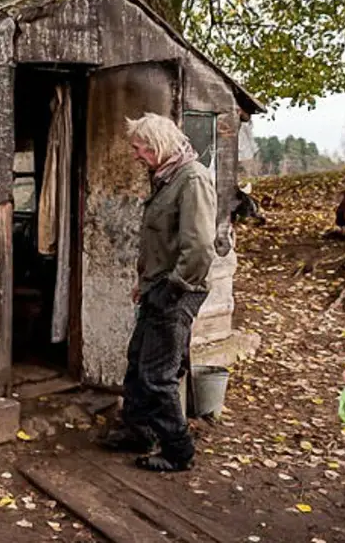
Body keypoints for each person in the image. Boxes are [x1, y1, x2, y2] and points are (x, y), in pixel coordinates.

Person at [98, 112, 218, 472]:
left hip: (177, 290)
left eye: (139, 148)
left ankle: (178, 450)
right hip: (158, 285)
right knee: (138, 361)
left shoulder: (192, 179)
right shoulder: (166, 177)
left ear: (158, 146)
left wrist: (174, 288)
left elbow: (198, 249)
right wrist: (144, 282)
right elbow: (160, 242)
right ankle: (140, 431)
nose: (135, 155)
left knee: (158, 374)